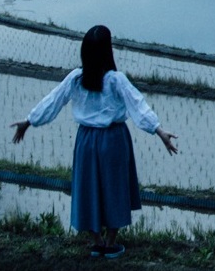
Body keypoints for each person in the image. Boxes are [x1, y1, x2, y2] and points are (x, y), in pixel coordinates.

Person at [12, 25, 177, 257]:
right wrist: (159, 132)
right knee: (115, 188)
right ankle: (110, 243)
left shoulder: (76, 78)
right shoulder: (116, 80)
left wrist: (29, 121)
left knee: (88, 187)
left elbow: (53, 101)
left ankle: (96, 241)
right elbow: (138, 105)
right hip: (113, 139)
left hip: (86, 141)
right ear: (108, 52)